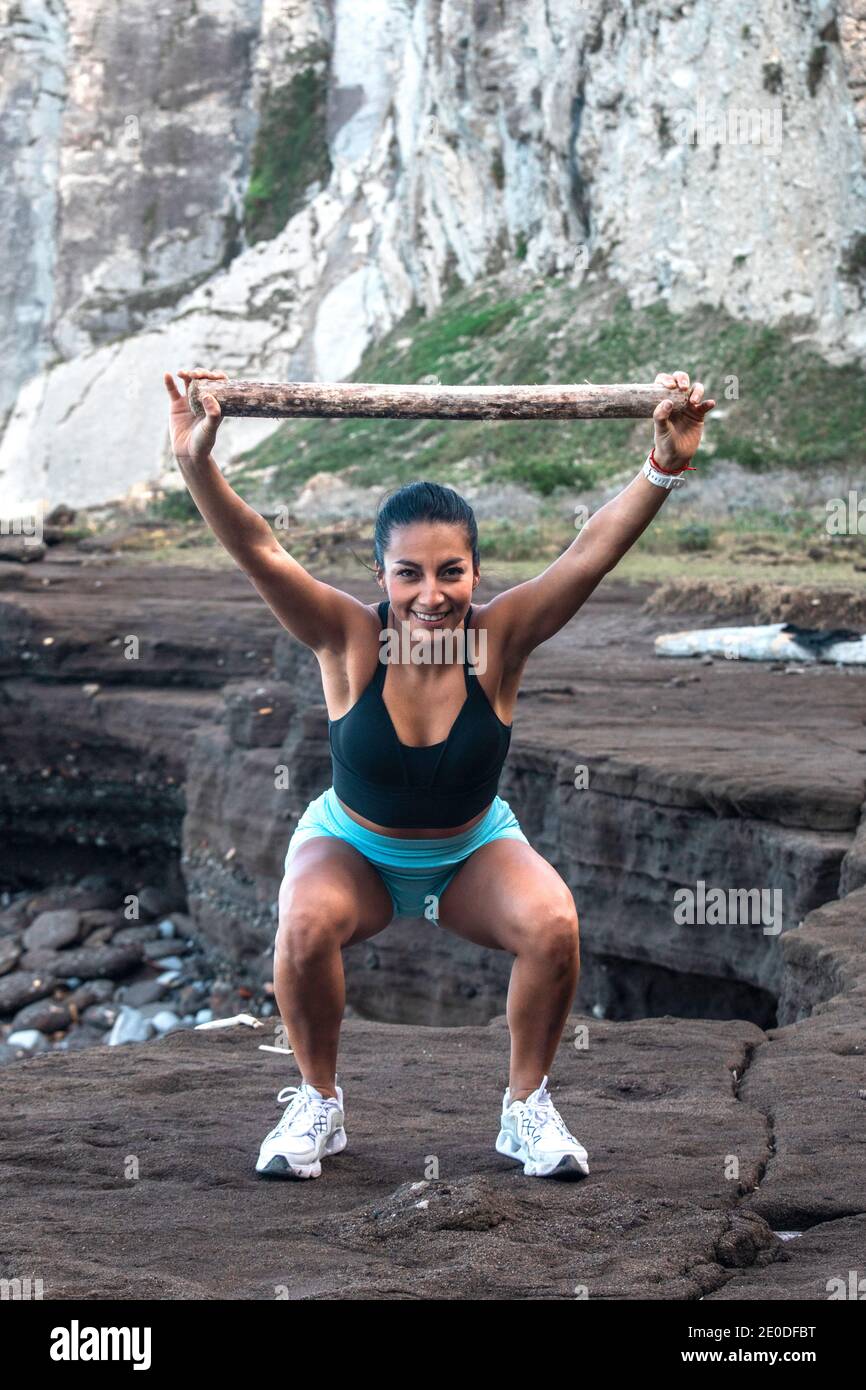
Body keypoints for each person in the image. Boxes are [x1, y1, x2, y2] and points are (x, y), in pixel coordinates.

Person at [163, 364, 715, 1182]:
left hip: (469, 853)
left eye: (450, 571)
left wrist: (664, 463)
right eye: (409, 573)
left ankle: (524, 1109)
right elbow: (261, 550)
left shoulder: (502, 640)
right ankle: (318, 1100)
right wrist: (194, 462)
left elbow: (589, 553)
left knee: (555, 922)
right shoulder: (345, 639)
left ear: (474, 572)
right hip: (355, 850)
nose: (432, 595)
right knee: (304, 922)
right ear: (379, 575)